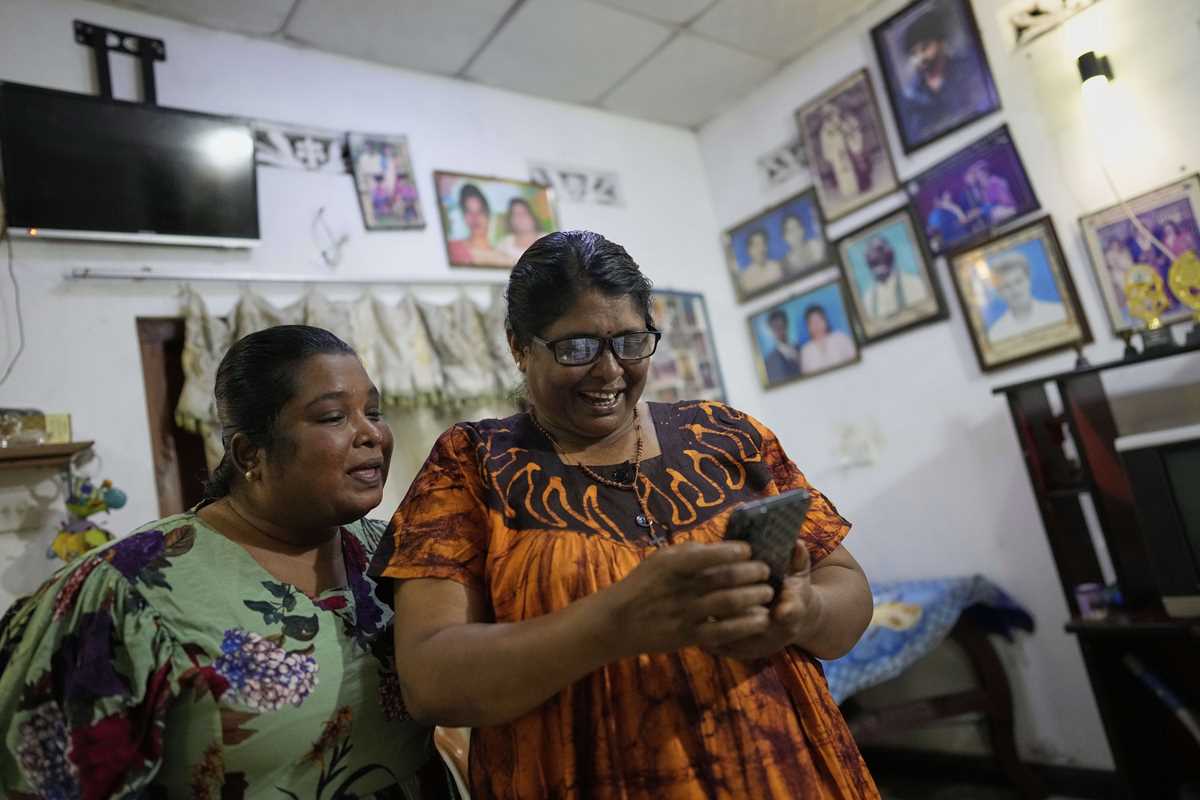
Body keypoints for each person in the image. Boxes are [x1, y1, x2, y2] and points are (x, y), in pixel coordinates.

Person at [372, 231, 878, 799]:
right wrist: (613, 623)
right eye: (578, 347)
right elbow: (431, 681)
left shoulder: (727, 436)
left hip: (786, 775)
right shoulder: (472, 465)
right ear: (519, 346)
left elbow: (846, 584)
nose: (610, 370)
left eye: (631, 342)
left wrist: (805, 612)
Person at [0, 326, 451, 797]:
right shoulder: (133, 587)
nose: (371, 434)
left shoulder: (401, 555)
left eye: (373, 412)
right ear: (250, 453)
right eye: (333, 417)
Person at [899, 5, 993, 143]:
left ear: (941, 43)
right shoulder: (912, 95)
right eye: (914, 53)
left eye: (925, 47)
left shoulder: (968, 70)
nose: (920, 58)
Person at [987, 251, 1066, 342]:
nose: (1015, 290)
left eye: (1018, 281)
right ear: (999, 292)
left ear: (1028, 280)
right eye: (1006, 286)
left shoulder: (1059, 312)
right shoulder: (995, 334)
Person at [861, 234, 928, 319]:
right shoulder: (867, 300)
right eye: (870, 253)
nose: (875, 256)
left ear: (891, 254)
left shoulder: (915, 284)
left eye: (880, 250)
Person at [446, 183, 507, 267]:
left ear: (488, 215)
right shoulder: (453, 249)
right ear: (463, 215)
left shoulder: (504, 258)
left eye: (480, 211)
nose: (475, 218)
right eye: (469, 211)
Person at [817, 103, 868, 197]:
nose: (831, 116)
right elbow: (826, 146)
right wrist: (834, 153)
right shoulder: (824, 131)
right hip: (838, 154)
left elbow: (849, 131)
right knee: (844, 173)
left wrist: (849, 135)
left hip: (848, 149)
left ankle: (863, 185)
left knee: (857, 166)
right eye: (828, 115)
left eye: (832, 113)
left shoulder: (841, 122)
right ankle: (850, 191)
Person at [800, 304, 858, 374]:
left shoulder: (840, 337)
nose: (816, 325)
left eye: (819, 321)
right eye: (812, 322)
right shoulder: (806, 350)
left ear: (825, 321)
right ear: (808, 327)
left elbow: (856, 360)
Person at [738, 227, 784, 294]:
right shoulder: (745, 277)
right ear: (749, 250)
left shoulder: (776, 267)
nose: (761, 248)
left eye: (763, 243)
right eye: (756, 245)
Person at [763, 307, 803, 383]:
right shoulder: (770, 361)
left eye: (782, 326)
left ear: (787, 326)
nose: (780, 331)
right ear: (771, 331)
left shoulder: (801, 348)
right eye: (775, 328)